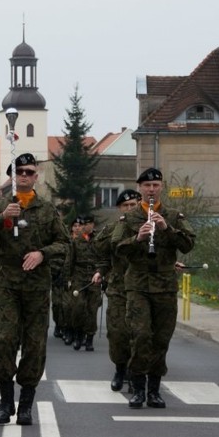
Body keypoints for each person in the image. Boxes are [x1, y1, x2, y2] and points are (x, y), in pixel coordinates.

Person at [0, 153, 69, 425]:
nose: (25, 175)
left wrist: (42, 253)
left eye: (29, 171)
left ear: (36, 176)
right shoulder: (1, 206)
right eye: (20, 172)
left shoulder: (47, 210)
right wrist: (1, 217)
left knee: (34, 345)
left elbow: (64, 244)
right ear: (13, 177)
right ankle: (6, 402)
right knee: (3, 342)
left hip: (36, 287)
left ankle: (26, 403)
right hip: (6, 283)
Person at [113, 168, 196, 408]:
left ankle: (154, 389)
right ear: (139, 188)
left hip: (165, 286)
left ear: (162, 187)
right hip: (137, 285)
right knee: (140, 335)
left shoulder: (172, 215)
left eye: (156, 185)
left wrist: (167, 229)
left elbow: (188, 243)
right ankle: (137, 387)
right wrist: (136, 238)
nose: (151, 189)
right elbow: (116, 248)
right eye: (147, 185)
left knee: (161, 339)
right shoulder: (128, 219)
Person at [93, 189, 141, 391]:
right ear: (119, 208)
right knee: (117, 333)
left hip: (141, 288)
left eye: (133, 205)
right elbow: (101, 251)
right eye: (125, 206)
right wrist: (100, 272)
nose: (130, 209)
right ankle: (120, 368)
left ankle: (135, 373)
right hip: (118, 289)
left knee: (138, 333)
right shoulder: (114, 228)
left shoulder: (151, 228)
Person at [65, 215, 100, 351]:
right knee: (78, 307)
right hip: (78, 278)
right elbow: (70, 261)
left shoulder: (99, 240)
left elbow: (105, 259)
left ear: (92, 225)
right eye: (82, 224)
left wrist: (104, 276)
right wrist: (68, 279)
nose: (84, 226)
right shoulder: (76, 241)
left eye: (87, 224)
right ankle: (78, 335)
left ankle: (89, 338)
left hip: (94, 278)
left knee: (92, 309)